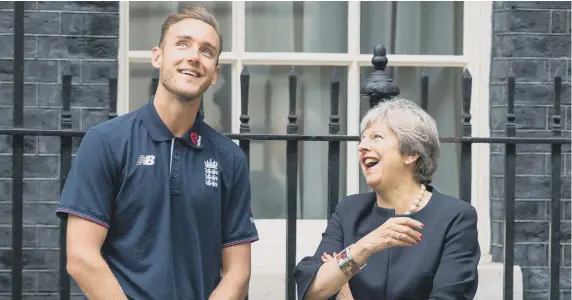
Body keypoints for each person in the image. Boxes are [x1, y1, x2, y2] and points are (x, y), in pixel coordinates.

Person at [56, 6, 258, 300]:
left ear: (214, 73)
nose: (193, 56)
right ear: (157, 57)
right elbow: (81, 258)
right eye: (182, 44)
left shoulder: (230, 159)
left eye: (207, 51)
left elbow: (238, 272)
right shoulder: (106, 142)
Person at [293, 98, 480, 300]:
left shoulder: (455, 217)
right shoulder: (349, 211)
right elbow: (312, 291)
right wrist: (364, 247)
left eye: (376, 137)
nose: (363, 146)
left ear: (411, 153)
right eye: (362, 138)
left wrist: (341, 282)